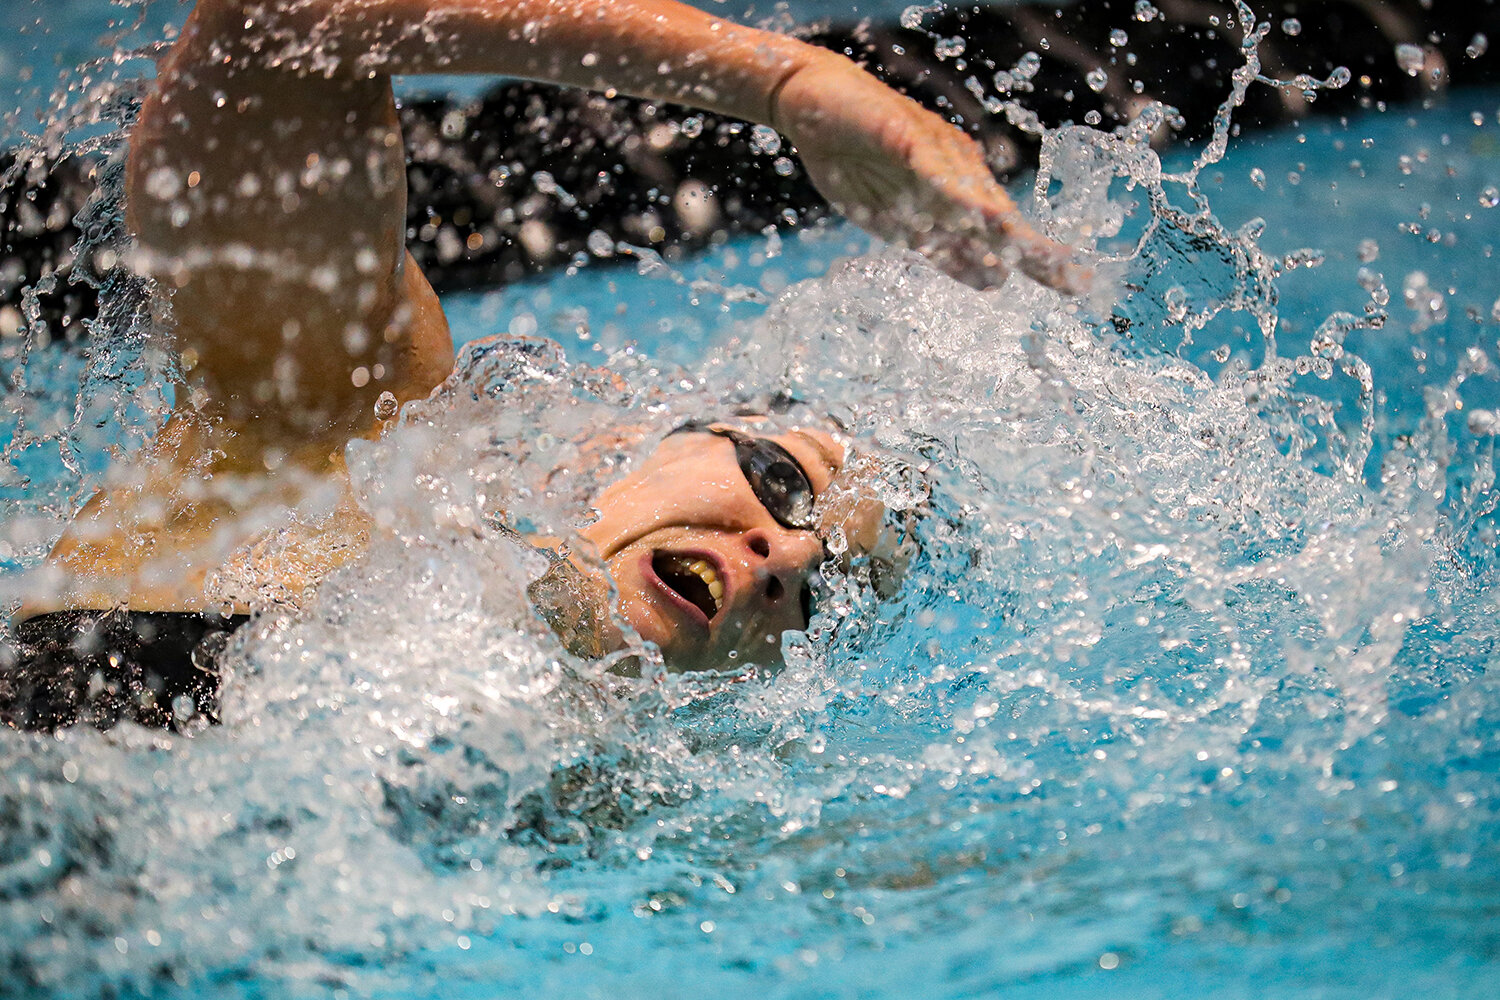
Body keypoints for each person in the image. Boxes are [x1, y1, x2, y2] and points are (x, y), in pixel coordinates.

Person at [5, 0, 1083, 730]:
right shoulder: (346, 428)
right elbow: (283, 24)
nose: (787, 551)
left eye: (828, 583)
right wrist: (786, 83)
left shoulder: (597, 787)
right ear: (626, 436)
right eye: (783, 477)